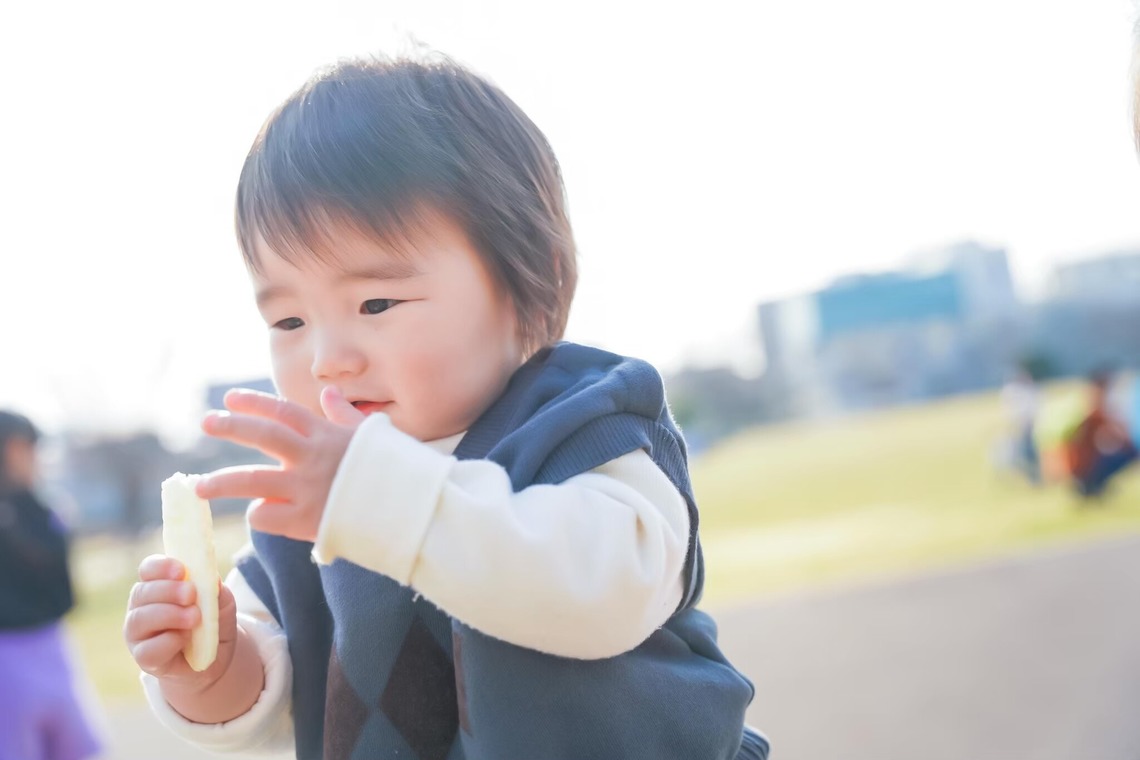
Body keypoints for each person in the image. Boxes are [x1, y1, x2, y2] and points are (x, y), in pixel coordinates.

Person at [123, 54, 769, 760]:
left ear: (530, 283)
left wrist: (378, 500)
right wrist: (210, 668)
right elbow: (275, 700)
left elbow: (604, 592)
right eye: (288, 322)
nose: (325, 359)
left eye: (376, 303)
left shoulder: (584, 430)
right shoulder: (304, 518)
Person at [0, 410, 103, 760]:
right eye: (21, 450)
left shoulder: (42, 511)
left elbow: (61, 585)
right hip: (7, 657)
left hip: (51, 645)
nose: (31, 461)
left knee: (73, 747)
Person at [1066, 368, 1137, 499]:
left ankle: (1094, 485)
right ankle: (1096, 484)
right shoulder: (1095, 409)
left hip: (1079, 463)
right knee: (1130, 453)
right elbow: (1116, 431)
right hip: (1086, 465)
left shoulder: (1084, 405)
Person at [999, 366, 1042, 484]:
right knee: (1025, 455)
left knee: (1033, 455)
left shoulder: (1032, 391)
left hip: (1033, 428)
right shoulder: (1017, 392)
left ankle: (1036, 478)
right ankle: (1032, 478)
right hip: (1023, 428)